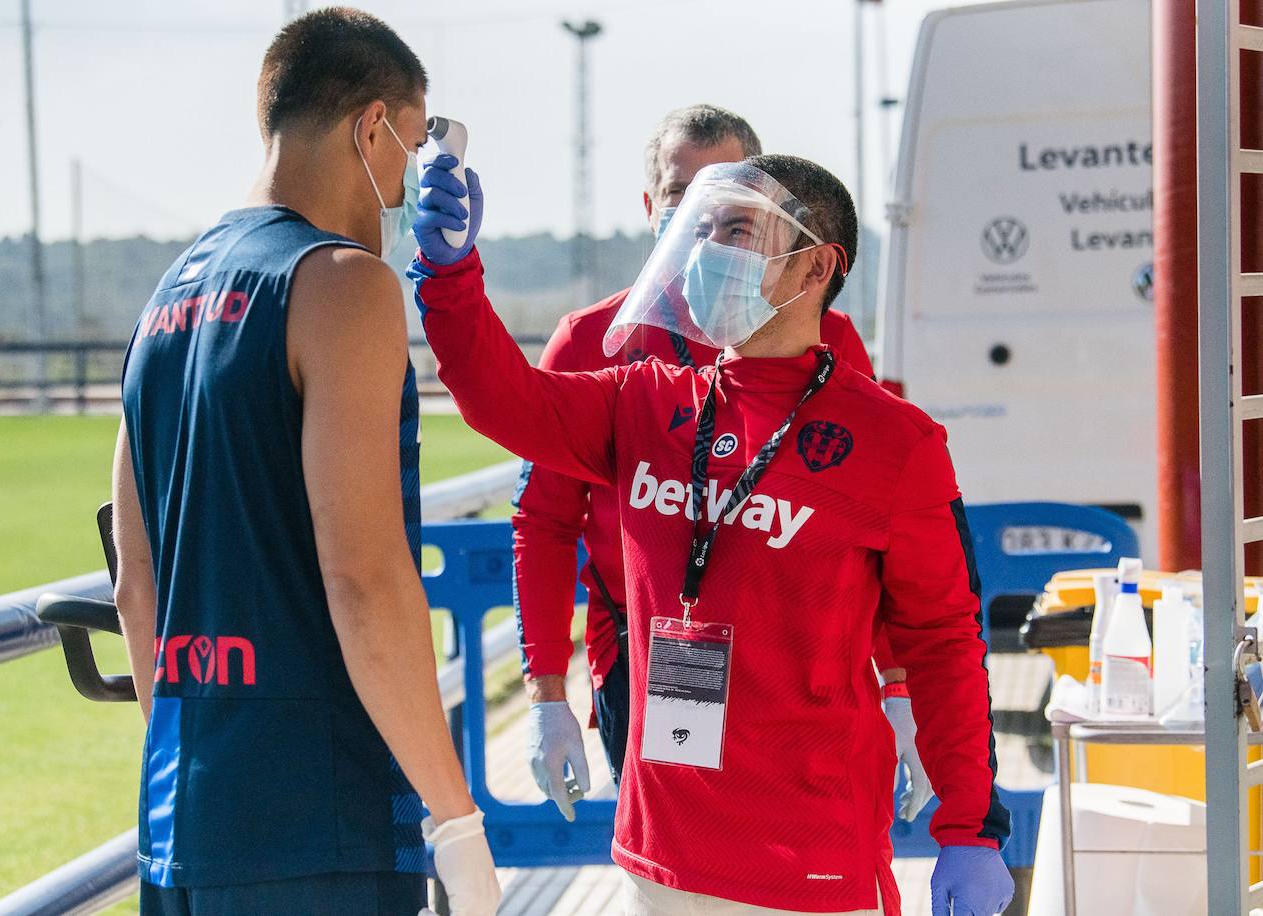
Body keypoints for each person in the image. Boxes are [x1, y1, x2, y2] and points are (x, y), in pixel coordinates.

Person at [409, 155, 1013, 915]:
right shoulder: (642, 401)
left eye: (736, 231)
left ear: (815, 268)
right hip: (659, 855)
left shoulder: (897, 443)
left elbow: (946, 642)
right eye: (701, 232)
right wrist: (450, 272)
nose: (704, 253)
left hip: (810, 866)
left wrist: (969, 826)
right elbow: (504, 400)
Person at [111, 9, 500, 915]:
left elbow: (138, 582)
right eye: (410, 149)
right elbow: (364, 578)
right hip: (323, 818)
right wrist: (456, 820)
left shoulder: (167, 293)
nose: (408, 187)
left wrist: (203, 773)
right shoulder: (344, 284)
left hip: (185, 815)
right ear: (372, 126)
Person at [513, 104, 930, 828]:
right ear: (651, 209)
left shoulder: (826, 338)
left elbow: (880, 535)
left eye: (727, 199)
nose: (701, 219)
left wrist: (899, 687)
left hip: (797, 664)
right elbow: (544, 523)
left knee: (789, 862)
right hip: (651, 656)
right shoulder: (593, 343)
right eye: (681, 197)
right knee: (676, 870)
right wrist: (547, 695)